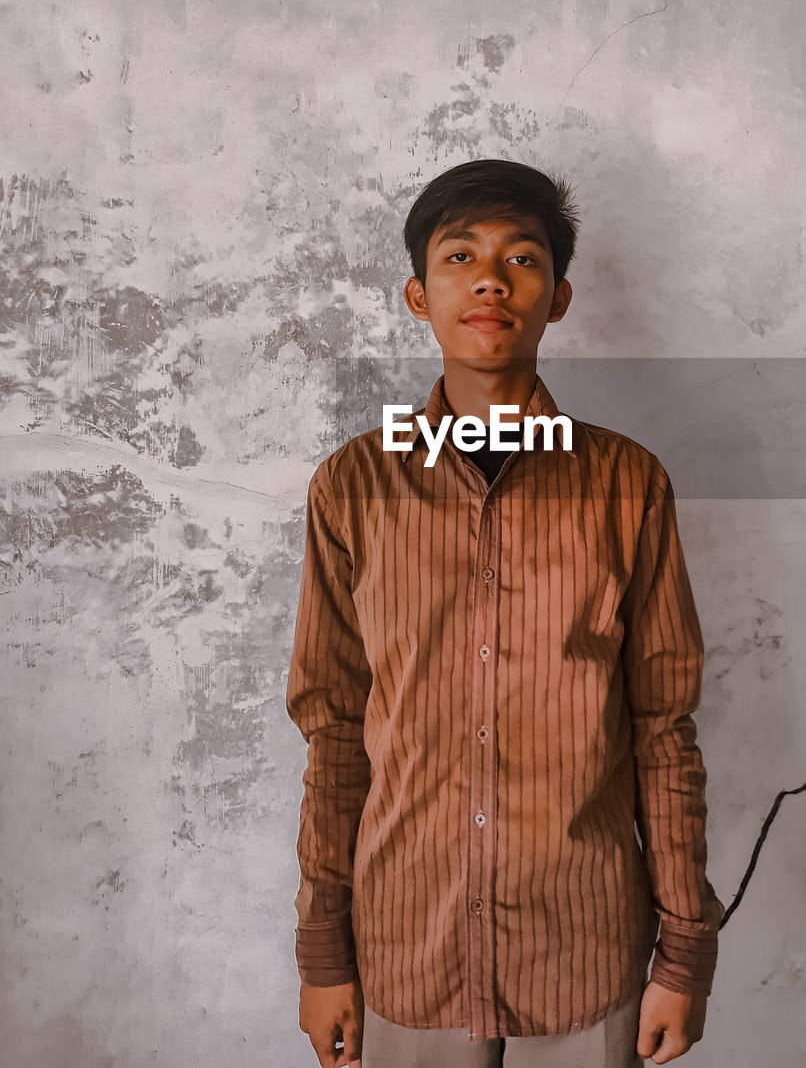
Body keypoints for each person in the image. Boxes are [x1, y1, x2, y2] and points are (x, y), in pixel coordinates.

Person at [286, 159, 725, 1068]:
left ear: (557, 298)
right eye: (460, 255)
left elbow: (662, 729)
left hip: (584, 951)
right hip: (408, 948)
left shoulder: (625, 485)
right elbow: (333, 729)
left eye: (522, 258)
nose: (491, 278)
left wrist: (684, 954)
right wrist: (324, 949)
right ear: (418, 294)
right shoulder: (354, 486)